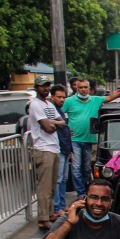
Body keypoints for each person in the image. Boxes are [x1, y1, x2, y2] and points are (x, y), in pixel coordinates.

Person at [61, 79, 120, 199]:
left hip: (89, 139)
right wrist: (66, 130)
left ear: (89, 89)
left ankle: (85, 189)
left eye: (85, 87)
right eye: (81, 87)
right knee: (76, 168)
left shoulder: (94, 100)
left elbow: (109, 98)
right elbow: (58, 113)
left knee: (87, 168)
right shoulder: (69, 101)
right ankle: (80, 193)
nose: (83, 90)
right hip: (75, 140)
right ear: (76, 89)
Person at [27, 76, 67, 230]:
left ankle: (50, 213)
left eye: (47, 85)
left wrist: (55, 123)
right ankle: (43, 218)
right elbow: (47, 127)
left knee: (52, 185)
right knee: (44, 186)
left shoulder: (49, 104)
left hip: (54, 147)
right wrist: (56, 123)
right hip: (43, 149)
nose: (45, 88)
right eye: (42, 86)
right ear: (36, 87)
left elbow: (62, 122)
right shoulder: (35, 105)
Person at [50, 85, 72, 219]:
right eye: (59, 97)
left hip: (65, 148)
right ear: (52, 97)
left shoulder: (61, 111)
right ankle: (57, 206)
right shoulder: (52, 110)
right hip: (57, 148)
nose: (61, 99)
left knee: (63, 179)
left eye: (63, 97)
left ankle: (62, 204)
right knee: (58, 179)